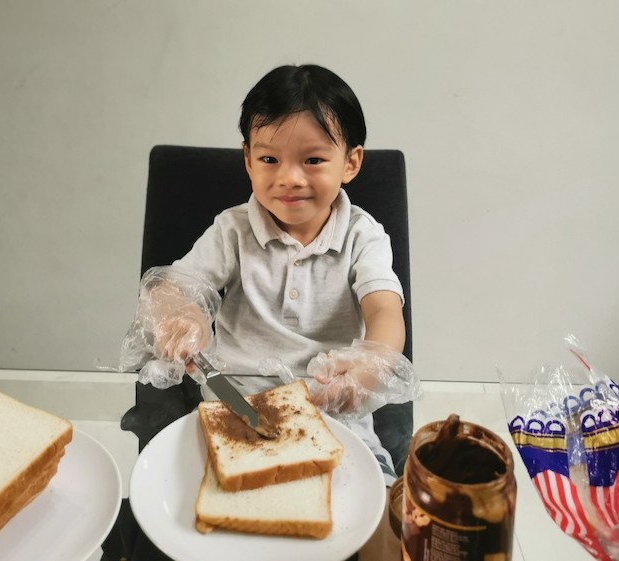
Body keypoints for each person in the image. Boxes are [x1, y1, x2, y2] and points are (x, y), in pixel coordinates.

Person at [127, 63, 416, 486]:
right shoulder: (233, 229)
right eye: (269, 158)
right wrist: (179, 316)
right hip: (232, 407)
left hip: (332, 411)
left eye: (313, 159)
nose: (289, 178)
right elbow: (174, 286)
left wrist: (369, 367)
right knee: (194, 496)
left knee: (375, 505)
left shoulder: (363, 236)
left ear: (351, 162)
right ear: (248, 159)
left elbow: (385, 312)